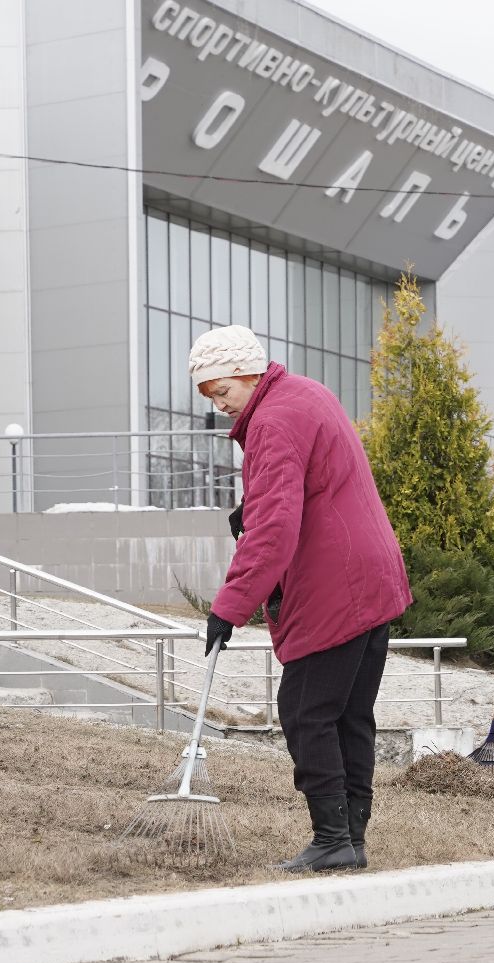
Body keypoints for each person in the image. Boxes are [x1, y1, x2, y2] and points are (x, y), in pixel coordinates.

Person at [191, 325, 411, 872]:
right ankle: (351, 839)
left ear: (247, 373)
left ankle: (332, 837)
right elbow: (315, 481)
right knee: (350, 714)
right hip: (372, 572)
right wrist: (252, 505)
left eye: (222, 390)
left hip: (333, 580)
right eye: (210, 396)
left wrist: (229, 606)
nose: (219, 405)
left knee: (305, 711)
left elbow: (274, 530)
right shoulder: (306, 393)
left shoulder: (271, 420)